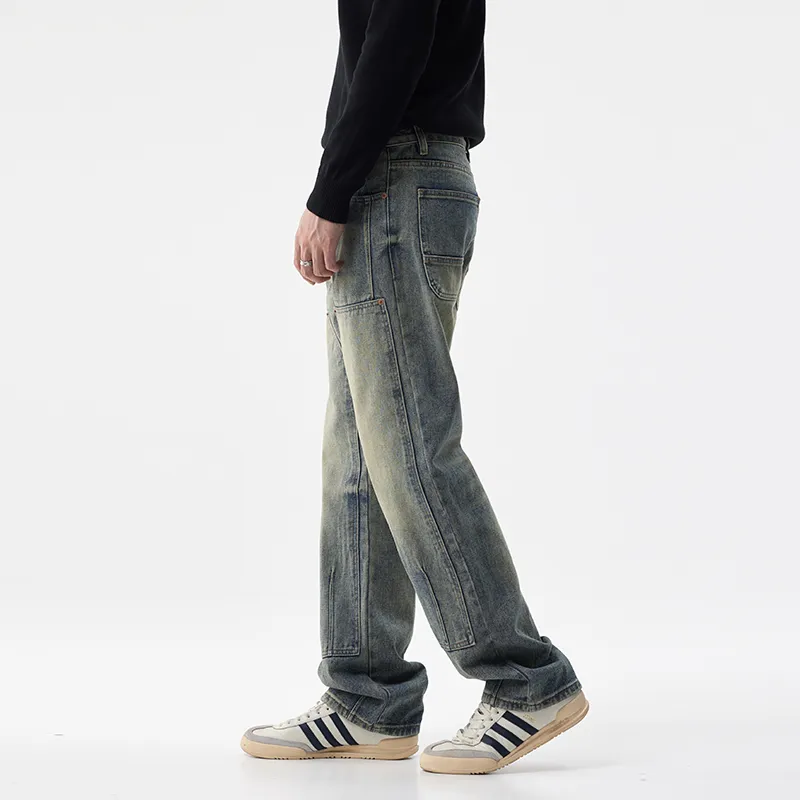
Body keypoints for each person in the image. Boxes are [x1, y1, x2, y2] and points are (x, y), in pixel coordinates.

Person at [240, 0, 588, 775]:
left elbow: (397, 35)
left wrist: (331, 189)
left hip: (397, 176)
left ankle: (527, 678)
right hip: (396, 175)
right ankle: (367, 697)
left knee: (407, 447)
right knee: (358, 459)